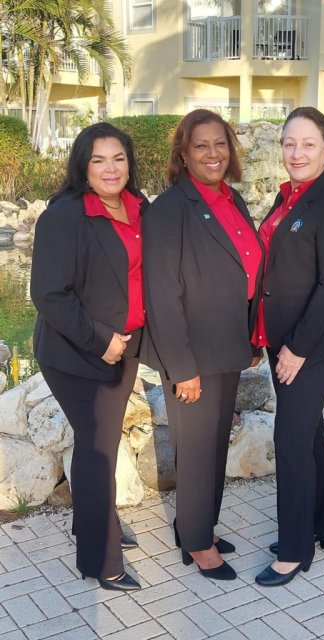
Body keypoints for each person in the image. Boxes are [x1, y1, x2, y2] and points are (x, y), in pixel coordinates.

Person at [141, 109, 263, 581]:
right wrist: (181, 367)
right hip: (191, 353)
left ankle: (198, 525)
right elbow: (163, 294)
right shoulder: (171, 209)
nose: (213, 154)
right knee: (194, 449)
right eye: (201, 146)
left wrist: (253, 336)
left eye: (220, 144)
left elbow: (248, 272)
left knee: (212, 445)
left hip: (230, 345)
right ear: (183, 154)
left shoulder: (233, 200)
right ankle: (196, 544)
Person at [30, 122, 148, 591]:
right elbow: (49, 295)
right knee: (98, 448)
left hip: (126, 349)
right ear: (82, 164)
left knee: (98, 443)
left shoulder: (140, 209)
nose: (109, 168)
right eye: (98, 159)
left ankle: (93, 524)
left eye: (118, 157)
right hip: (77, 353)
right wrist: (102, 340)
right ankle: (102, 560)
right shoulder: (65, 216)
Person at [253, 107, 324, 587]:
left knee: (290, 440)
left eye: (308, 144)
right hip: (283, 340)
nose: (296, 153)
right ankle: (318, 524)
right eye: (289, 143)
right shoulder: (288, 198)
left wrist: (295, 347)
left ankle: (294, 551)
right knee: (308, 432)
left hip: (311, 344)